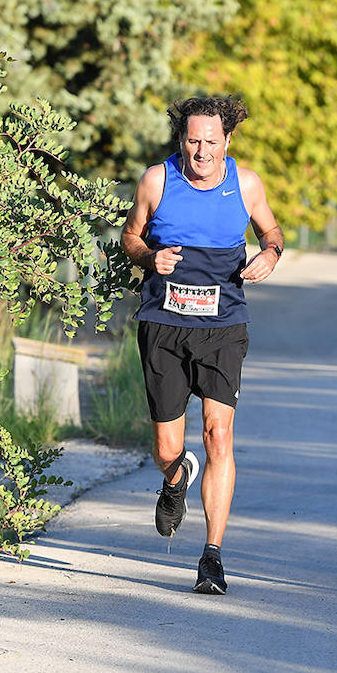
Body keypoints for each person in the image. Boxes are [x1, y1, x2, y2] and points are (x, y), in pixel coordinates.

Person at [120, 95, 284, 595]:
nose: (202, 150)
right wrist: (150, 258)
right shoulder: (157, 180)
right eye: (193, 140)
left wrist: (270, 255)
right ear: (181, 140)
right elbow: (130, 236)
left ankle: (212, 554)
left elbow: (272, 232)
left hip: (223, 326)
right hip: (163, 325)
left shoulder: (246, 183)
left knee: (218, 436)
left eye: (211, 141)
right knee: (168, 447)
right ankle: (174, 480)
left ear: (226, 140)